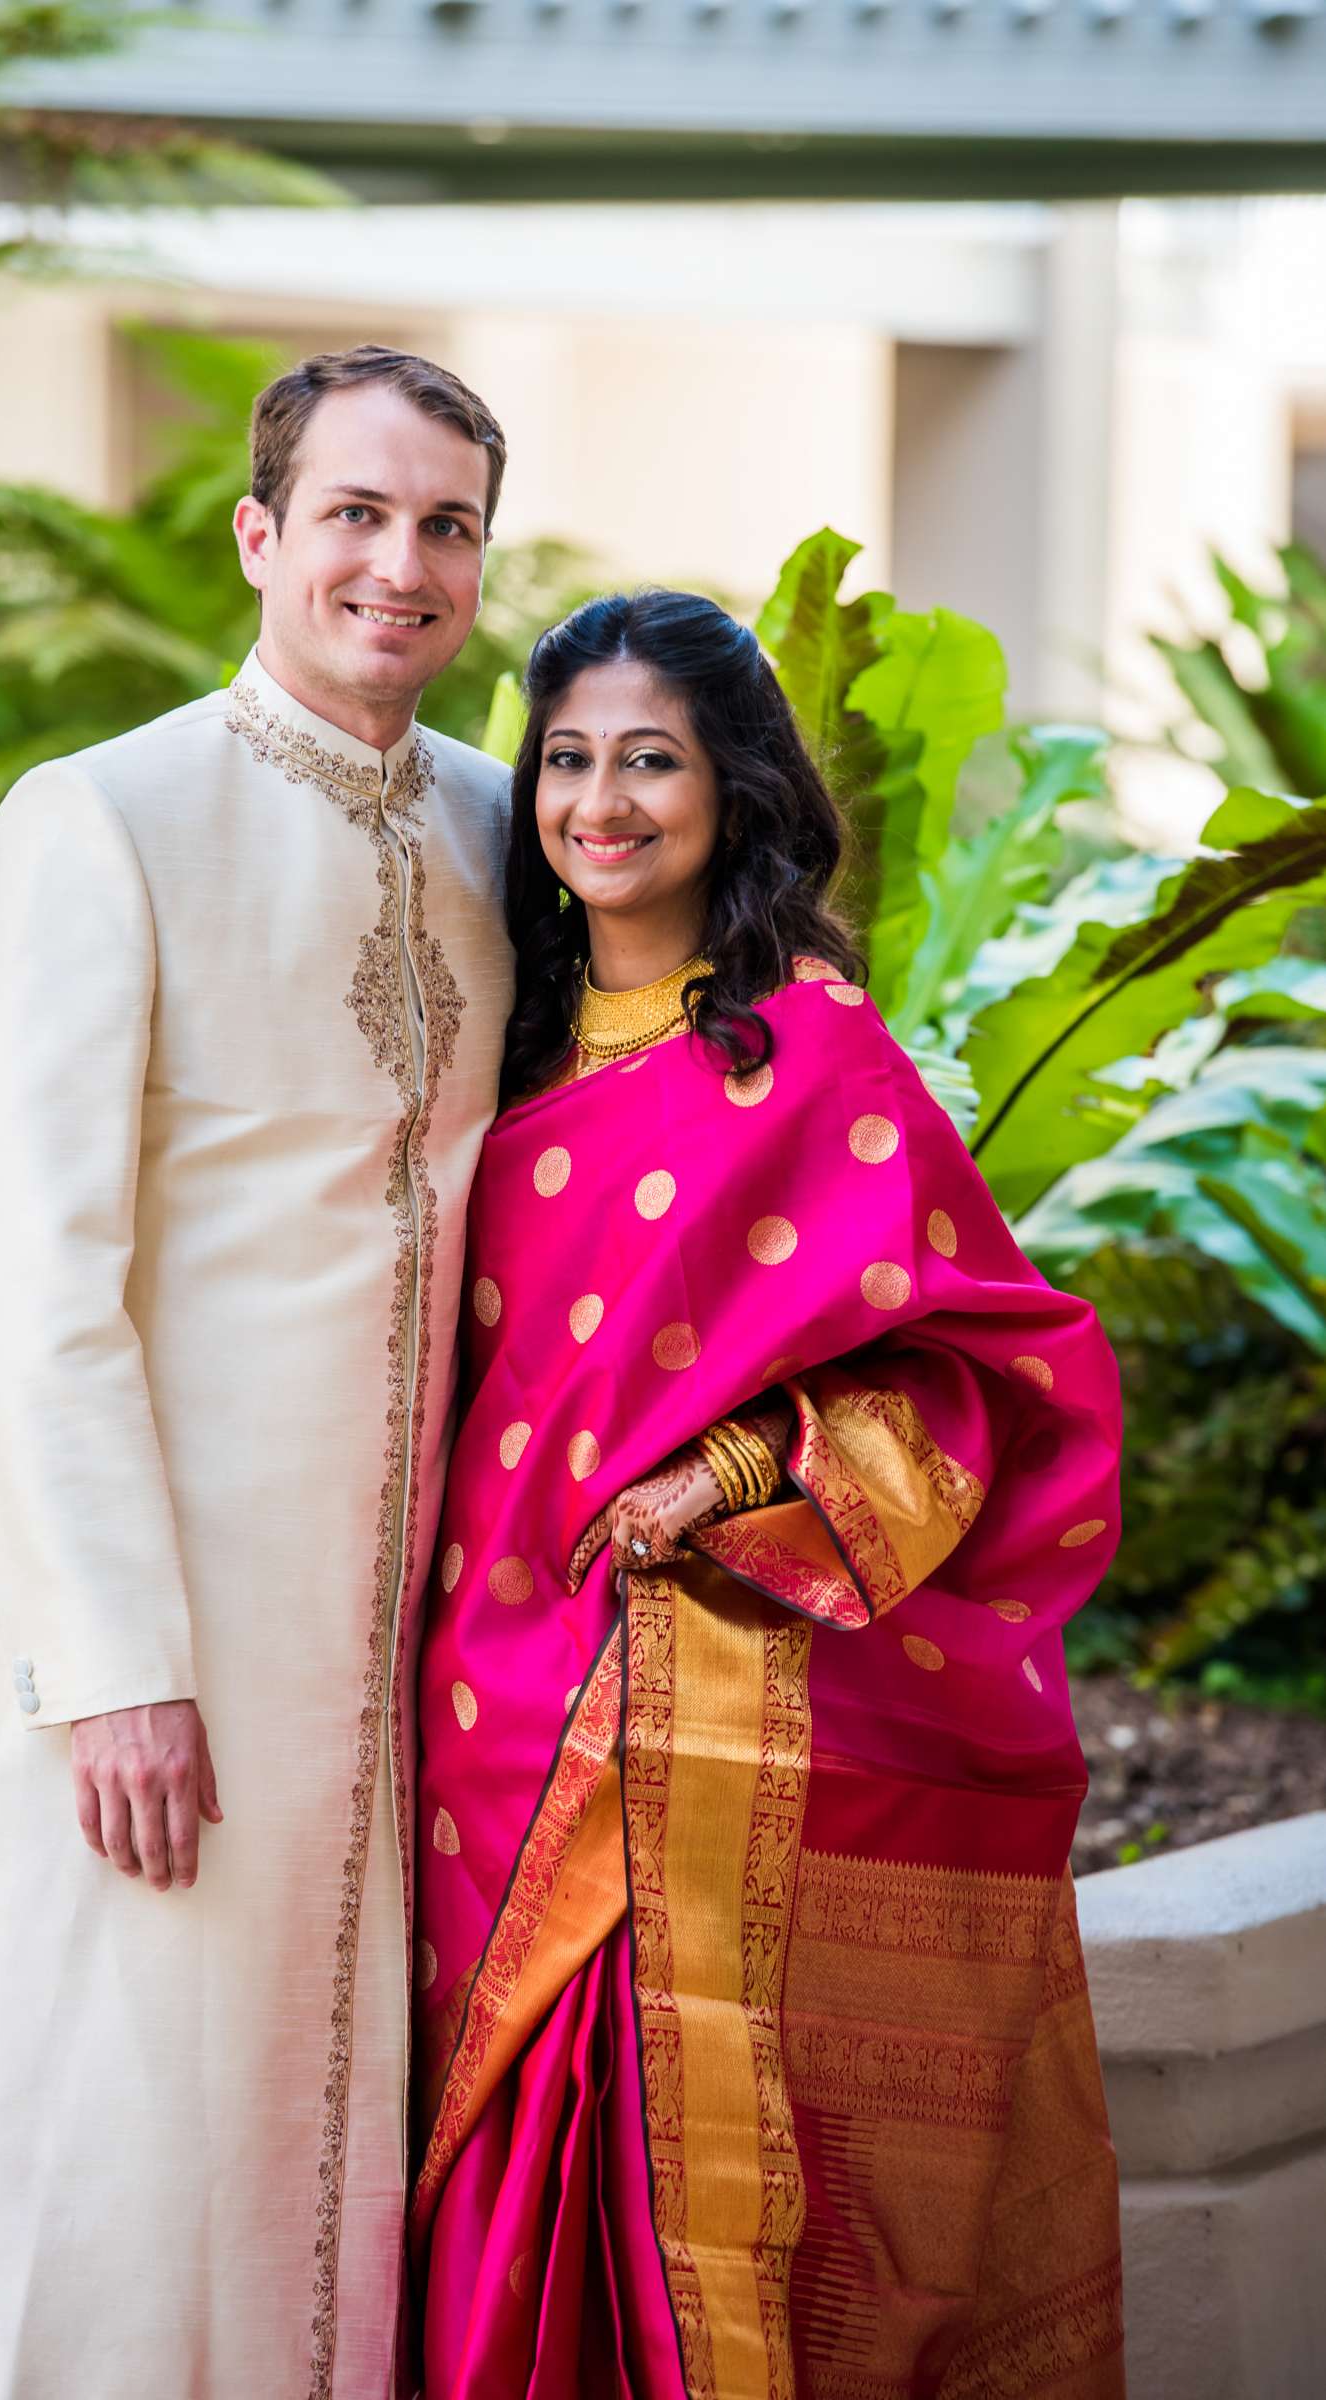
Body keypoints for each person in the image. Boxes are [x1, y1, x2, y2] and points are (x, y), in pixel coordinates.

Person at [411, 590, 1127, 2398]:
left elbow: (972, 1373)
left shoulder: (810, 1058)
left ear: (730, 785)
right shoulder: (488, 1040)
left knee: (674, 2157)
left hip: (686, 1694)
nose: (601, 803)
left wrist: (727, 1472)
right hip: (475, 1705)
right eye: (567, 760)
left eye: (649, 760)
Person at [0, 347, 516, 2400]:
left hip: (416, 1646)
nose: (397, 563)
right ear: (261, 535)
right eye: (353, 512)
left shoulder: (511, 834)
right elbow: (27, 1276)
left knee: (331, 2160)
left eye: (443, 525)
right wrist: (115, 1662)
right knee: (126, 2147)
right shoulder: (102, 818)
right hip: (170, 1648)